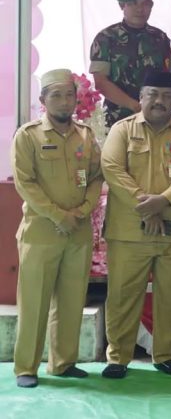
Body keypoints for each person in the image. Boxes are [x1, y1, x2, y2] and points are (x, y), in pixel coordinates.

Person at [99, 70, 171, 379]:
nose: (160, 101)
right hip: (130, 231)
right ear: (141, 97)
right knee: (122, 295)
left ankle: (165, 355)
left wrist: (165, 200)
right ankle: (118, 357)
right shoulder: (122, 130)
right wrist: (147, 205)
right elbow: (112, 168)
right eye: (153, 95)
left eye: (167, 96)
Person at [10, 69, 102, 388]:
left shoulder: (86, 136)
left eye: (69, 95)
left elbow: (96, 178)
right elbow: (25, 183)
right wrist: (58, 215)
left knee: (71, 300)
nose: (64, 101)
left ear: (77, 99)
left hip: (78, 232)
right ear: (43, 100)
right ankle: (26, 367)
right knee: (34, 301)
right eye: (56, 95)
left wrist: (82, 211)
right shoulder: (28, 135)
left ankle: (63, 363)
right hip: (41, 232)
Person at [89, 0, 171, 127]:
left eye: (145, 4)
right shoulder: (106, 38)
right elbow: (101, 82)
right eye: (133, 3)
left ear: (151, 6)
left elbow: (168, 78)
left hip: (155, 119)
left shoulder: (160, 38)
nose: (139, 9)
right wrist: (135, 106)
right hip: (117, 120)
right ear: (122, 6)